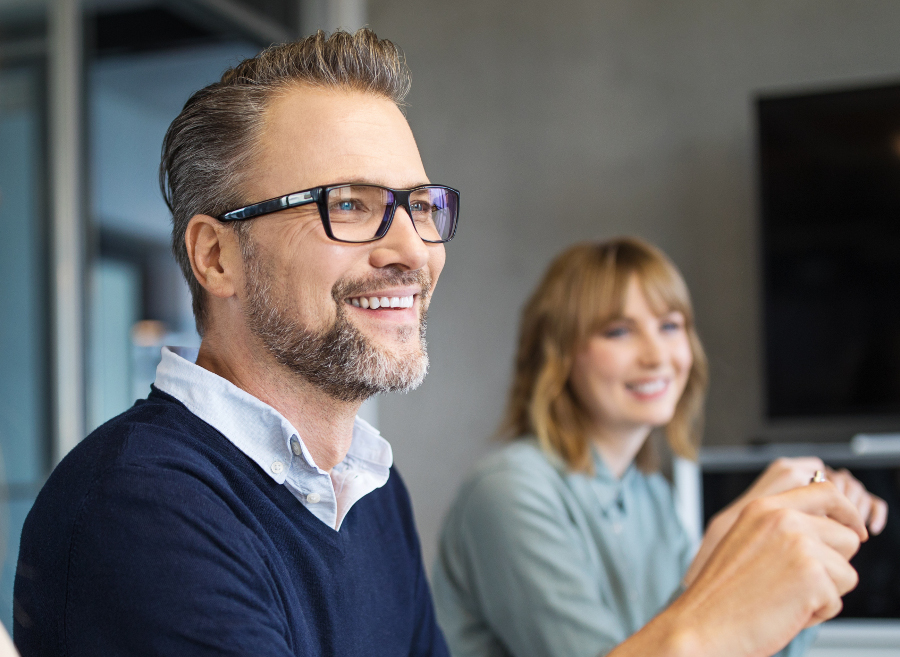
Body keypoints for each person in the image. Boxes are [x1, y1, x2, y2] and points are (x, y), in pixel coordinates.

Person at [10, 29, 875, 657]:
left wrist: (733, 576)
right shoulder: (137, 510)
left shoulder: (368, 491)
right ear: (215, 254)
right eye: (348, 205)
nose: (410, 248)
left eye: (418, 205)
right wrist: (699, 632)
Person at [432, 238, 887, 657]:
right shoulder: (509, 493)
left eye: (670, 326)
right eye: (618, 331)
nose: (656, 355)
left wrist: (802, 545)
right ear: (559, 354)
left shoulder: (652, 497)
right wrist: (737, 537)